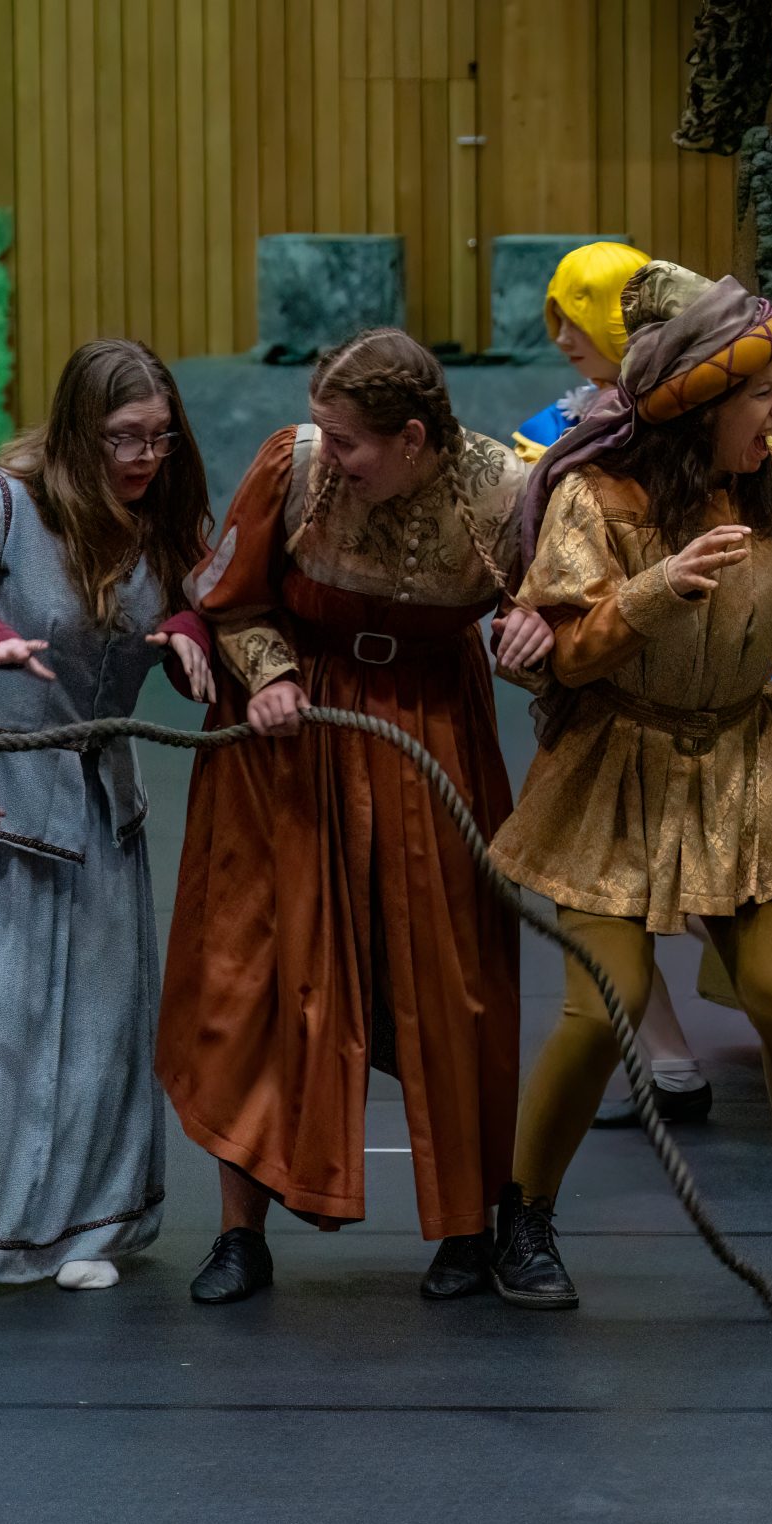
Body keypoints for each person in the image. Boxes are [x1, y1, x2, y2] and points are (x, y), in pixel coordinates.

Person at [485, 277, 772, 1311]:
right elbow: (565, 655)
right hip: (614, 769)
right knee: (607, 1005)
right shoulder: (599, 497)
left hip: (746, 764)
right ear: (698, 403)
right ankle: (524, 1219)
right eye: (762, 392)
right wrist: (655, 591)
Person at [159, 329, 551, 1305]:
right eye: (323, 432)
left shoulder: (508, 495)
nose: (328, 454)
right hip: (296, 738)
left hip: (433, 732)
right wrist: (269, 674)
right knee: (256, 968)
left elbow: (561, 610)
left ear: (412, 438)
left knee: (452, 975)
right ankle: (240, 1234)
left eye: (348, 441)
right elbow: (233, 601)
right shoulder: (292, 469)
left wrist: (540, 630)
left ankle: (468, 1229)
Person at [0, 341, 214, 1289]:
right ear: (82, 432)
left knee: (98, 1028)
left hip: (98, 806)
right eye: (126, 438)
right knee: (7, 1021)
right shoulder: (8, 504)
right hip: (6, 801)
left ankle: (82, 1227)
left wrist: (188, 631)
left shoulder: (160, 522)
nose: (145, 458)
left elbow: (198, 603)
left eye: (161, 439)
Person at [513, 241, 650, 462]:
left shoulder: (690, 413)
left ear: (625, 319)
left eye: (576, 323)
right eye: (559, 321)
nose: (561, 339)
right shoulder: (549, 432)